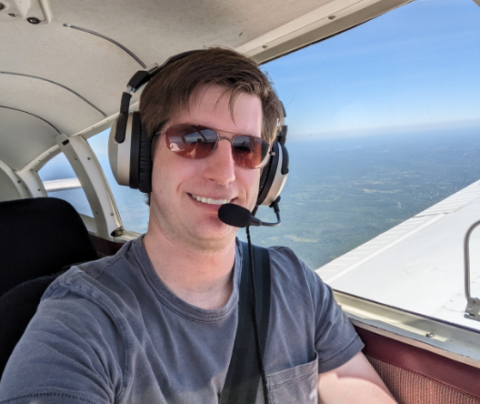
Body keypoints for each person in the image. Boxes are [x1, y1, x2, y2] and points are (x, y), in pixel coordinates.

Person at [0, 48, 396, 404]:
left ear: (270, 172)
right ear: (140, 157)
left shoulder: (293, 282)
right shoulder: (84, 318)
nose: (224, 175)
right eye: (193, 139)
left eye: (246, 148)